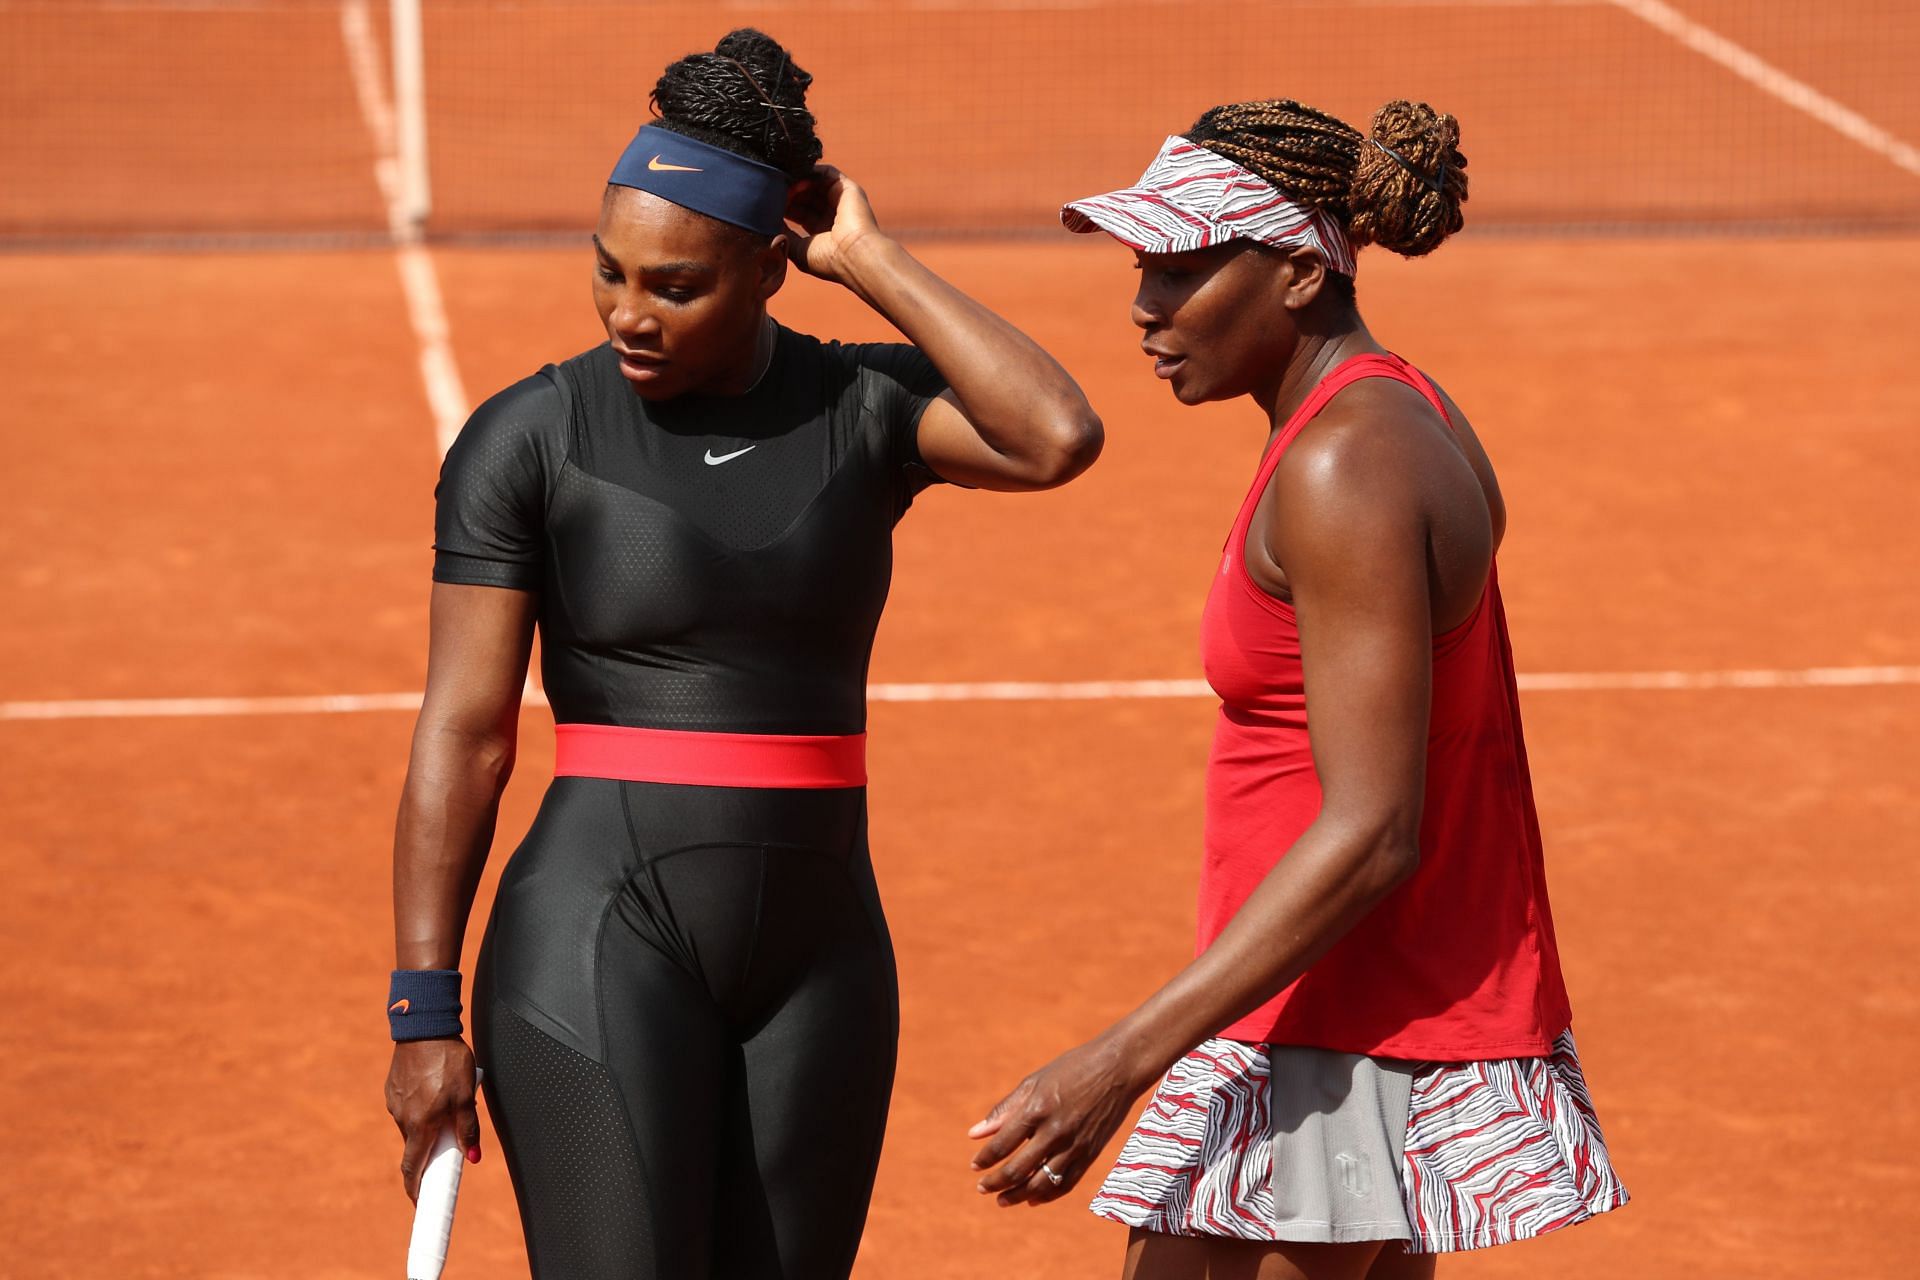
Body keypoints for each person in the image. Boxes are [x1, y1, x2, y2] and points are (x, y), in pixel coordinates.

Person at [380, 29, 1102, 1280]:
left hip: (821, 953)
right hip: (598, 934)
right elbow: (467, 731)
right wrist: (422, 1011)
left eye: (674, 285)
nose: (627, 313)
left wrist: (869, 257)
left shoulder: (861, 410)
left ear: (774, 266)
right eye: (608, 272)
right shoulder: (529, 438)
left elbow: (1054, 432)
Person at [966, 99, 1627, 1279]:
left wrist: (1118, 1060)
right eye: (1142, 267)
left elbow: (1375, 829)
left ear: (1292, 273)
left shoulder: (1346, 464)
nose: (1144, 307)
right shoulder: (1393, 409)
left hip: (1333, 1033)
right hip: (1341, 1011)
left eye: (1181, 268)